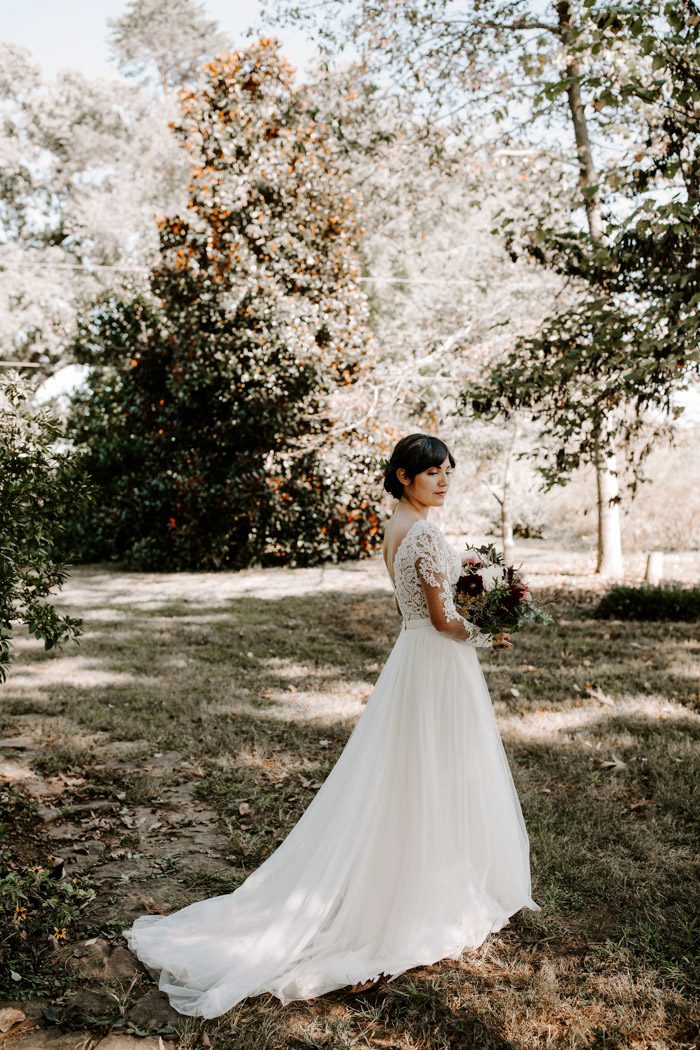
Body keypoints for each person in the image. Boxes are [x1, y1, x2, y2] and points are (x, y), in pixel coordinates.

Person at [123, 433, 540, 1017]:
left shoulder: (397, 530)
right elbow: (443, 619)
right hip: (437, 661)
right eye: (431, 473)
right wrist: (485, 632)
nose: (443, 480)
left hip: (414, 659)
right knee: (436, 767)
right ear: (402, 477)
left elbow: (411, 612)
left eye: (448, 471)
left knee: (413, 770)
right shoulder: (421, 533)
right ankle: (420, 892)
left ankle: (423, 871)